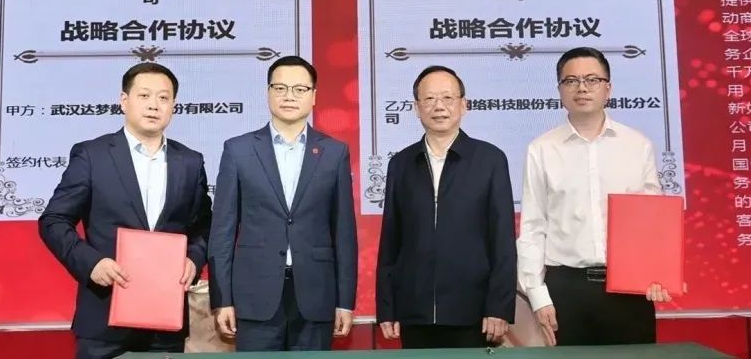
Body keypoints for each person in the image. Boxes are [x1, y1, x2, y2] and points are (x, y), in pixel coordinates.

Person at [39, 63, 212, 359]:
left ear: (173, 106)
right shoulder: (92, 155)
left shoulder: (190, 162)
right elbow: (54, 220)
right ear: (124, 100)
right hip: (104, 317)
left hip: (165, 320)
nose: (153, 105)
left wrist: (194, 259)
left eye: (163, 98)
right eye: (144, 95)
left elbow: (205, 225)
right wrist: (91, 263)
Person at [517, 46, 671, 346]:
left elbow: (653, 223)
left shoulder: (637, 146)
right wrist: (537, 295)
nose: (582, 88)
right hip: (565, 289)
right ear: (560, 90)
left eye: (592, 79)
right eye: (571, 81)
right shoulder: (541, 149)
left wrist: (657, 273)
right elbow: (533, 228)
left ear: (608, 88)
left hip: (628, 288)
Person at [208, 55, 357, 351]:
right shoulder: (238, 150)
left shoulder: (334, 153)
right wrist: (222, 299)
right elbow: (222, 231)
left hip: (316, 296)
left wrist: (345, 301)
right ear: (268, 93)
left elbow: (344, 233)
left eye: (300, 89)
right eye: (280, 88)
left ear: (314, 96)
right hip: (254, 295)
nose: (289, 96)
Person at [376, 65, 517, 349]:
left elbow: (502, 239)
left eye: (448, 98)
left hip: (472, 311)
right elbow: (391, 240)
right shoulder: (401, 163)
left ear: (464, 105)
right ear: (416, 108)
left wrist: (499, 306)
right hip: (414, 311)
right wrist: (387, 307)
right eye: (429, 99)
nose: (438, 106)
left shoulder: (489, 160)